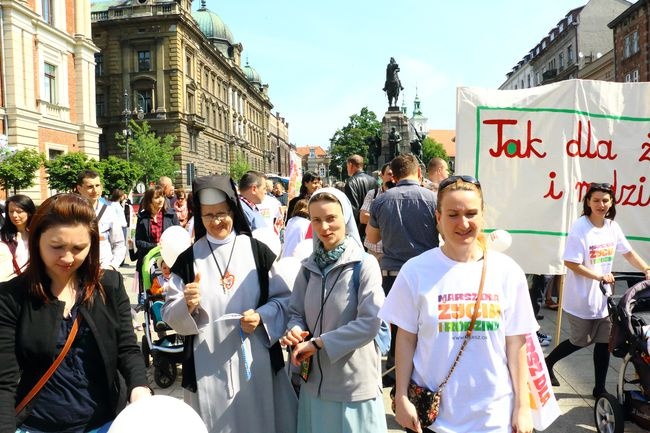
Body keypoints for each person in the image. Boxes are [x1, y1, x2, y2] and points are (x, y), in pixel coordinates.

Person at [379, 175, 537, 433]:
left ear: (482, 215)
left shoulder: (508, 272)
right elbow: (405, 339)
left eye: (471, 213)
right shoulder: (415, 271)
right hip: (433, 418)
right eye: (453, 214)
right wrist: (401, 397)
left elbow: (516, 342)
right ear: (438, 218)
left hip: (494, 417)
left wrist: (522, 406)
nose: (463, 223)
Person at [0, 193, 151, 433]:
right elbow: (4, 382)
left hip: (105, 423)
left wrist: (139, 387)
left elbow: (127, 348)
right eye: (57, 247)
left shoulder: (109, 285)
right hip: (37, 425)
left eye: (79, 248)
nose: (68, 258)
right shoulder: (11, 297)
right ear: (37, 240)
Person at [162, 175, 297, 433]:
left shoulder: (257, 252)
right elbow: (169, 312)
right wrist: (186, 305)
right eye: (208, 215)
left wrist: (261, 316)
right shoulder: (188, 261)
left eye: (222, 213)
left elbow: (285, 300)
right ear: (199, 217)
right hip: (208, 362)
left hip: (255, 359)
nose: (216, 221)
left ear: (233, 210)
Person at [280, 187, 387, 433]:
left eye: (331, 218)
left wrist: (319, 344)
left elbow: (370, 323)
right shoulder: (307, 267)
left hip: (352, 386)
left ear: (345, 218)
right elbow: (295, 312)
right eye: (316, 220)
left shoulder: (364, 264)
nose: (324, 227)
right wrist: (294, 330)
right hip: (314, 385)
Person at [545, 182, 650, 397]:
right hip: (581, 298)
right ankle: (548, 362)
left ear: (611, 203)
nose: (601, 204)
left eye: (605, 200)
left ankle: (599, 389)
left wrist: (646, 268)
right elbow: (571, 262)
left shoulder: (612, 227)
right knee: (579, 341)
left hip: (604, 298)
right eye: (596, 200)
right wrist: (598, 276)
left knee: (604, 343)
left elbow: (628, 252)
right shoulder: (580, 227)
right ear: (588, 202)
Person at [366, 154, 439, 386]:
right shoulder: (434, 199)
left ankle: (395, 371)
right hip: (427, 272)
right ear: (419, 173)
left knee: (398, 327)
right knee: (425, 325)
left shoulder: (381, 201)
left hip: (393, 272)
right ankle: (421, 372)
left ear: (393, 176)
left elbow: (371, 237)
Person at [76, 170, 126, 270]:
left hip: (104, 269)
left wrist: (112, 266)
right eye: (90, 187)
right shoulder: (72, 211)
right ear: (79, 188)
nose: (95, 190)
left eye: (97, 185)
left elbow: (119, 243)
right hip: (79, 270)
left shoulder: (109, 211)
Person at [360, 164, 394, 263]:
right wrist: (389, 218)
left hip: (391, 252)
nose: (392, 178)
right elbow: (363, 217)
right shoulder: (373, 193)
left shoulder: (401, 195)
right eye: (389, 174)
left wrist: (375, 218)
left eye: (394, 175)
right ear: (381, 176)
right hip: (373, 251)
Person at [0, 195, 35, 282]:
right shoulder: (2, 237)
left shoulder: (39, 235)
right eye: (11, 211)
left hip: (34, 283)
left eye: (19, 211)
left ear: (29, 212)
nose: (14, 215)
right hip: (9, 286)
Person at [344, 154, 377, 242]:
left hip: (358, 229)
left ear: (351, 165)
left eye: (347, 166)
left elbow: (353, 208)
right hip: (373, 226)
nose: (347, 168)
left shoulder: (351, 182)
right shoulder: (374, 181)